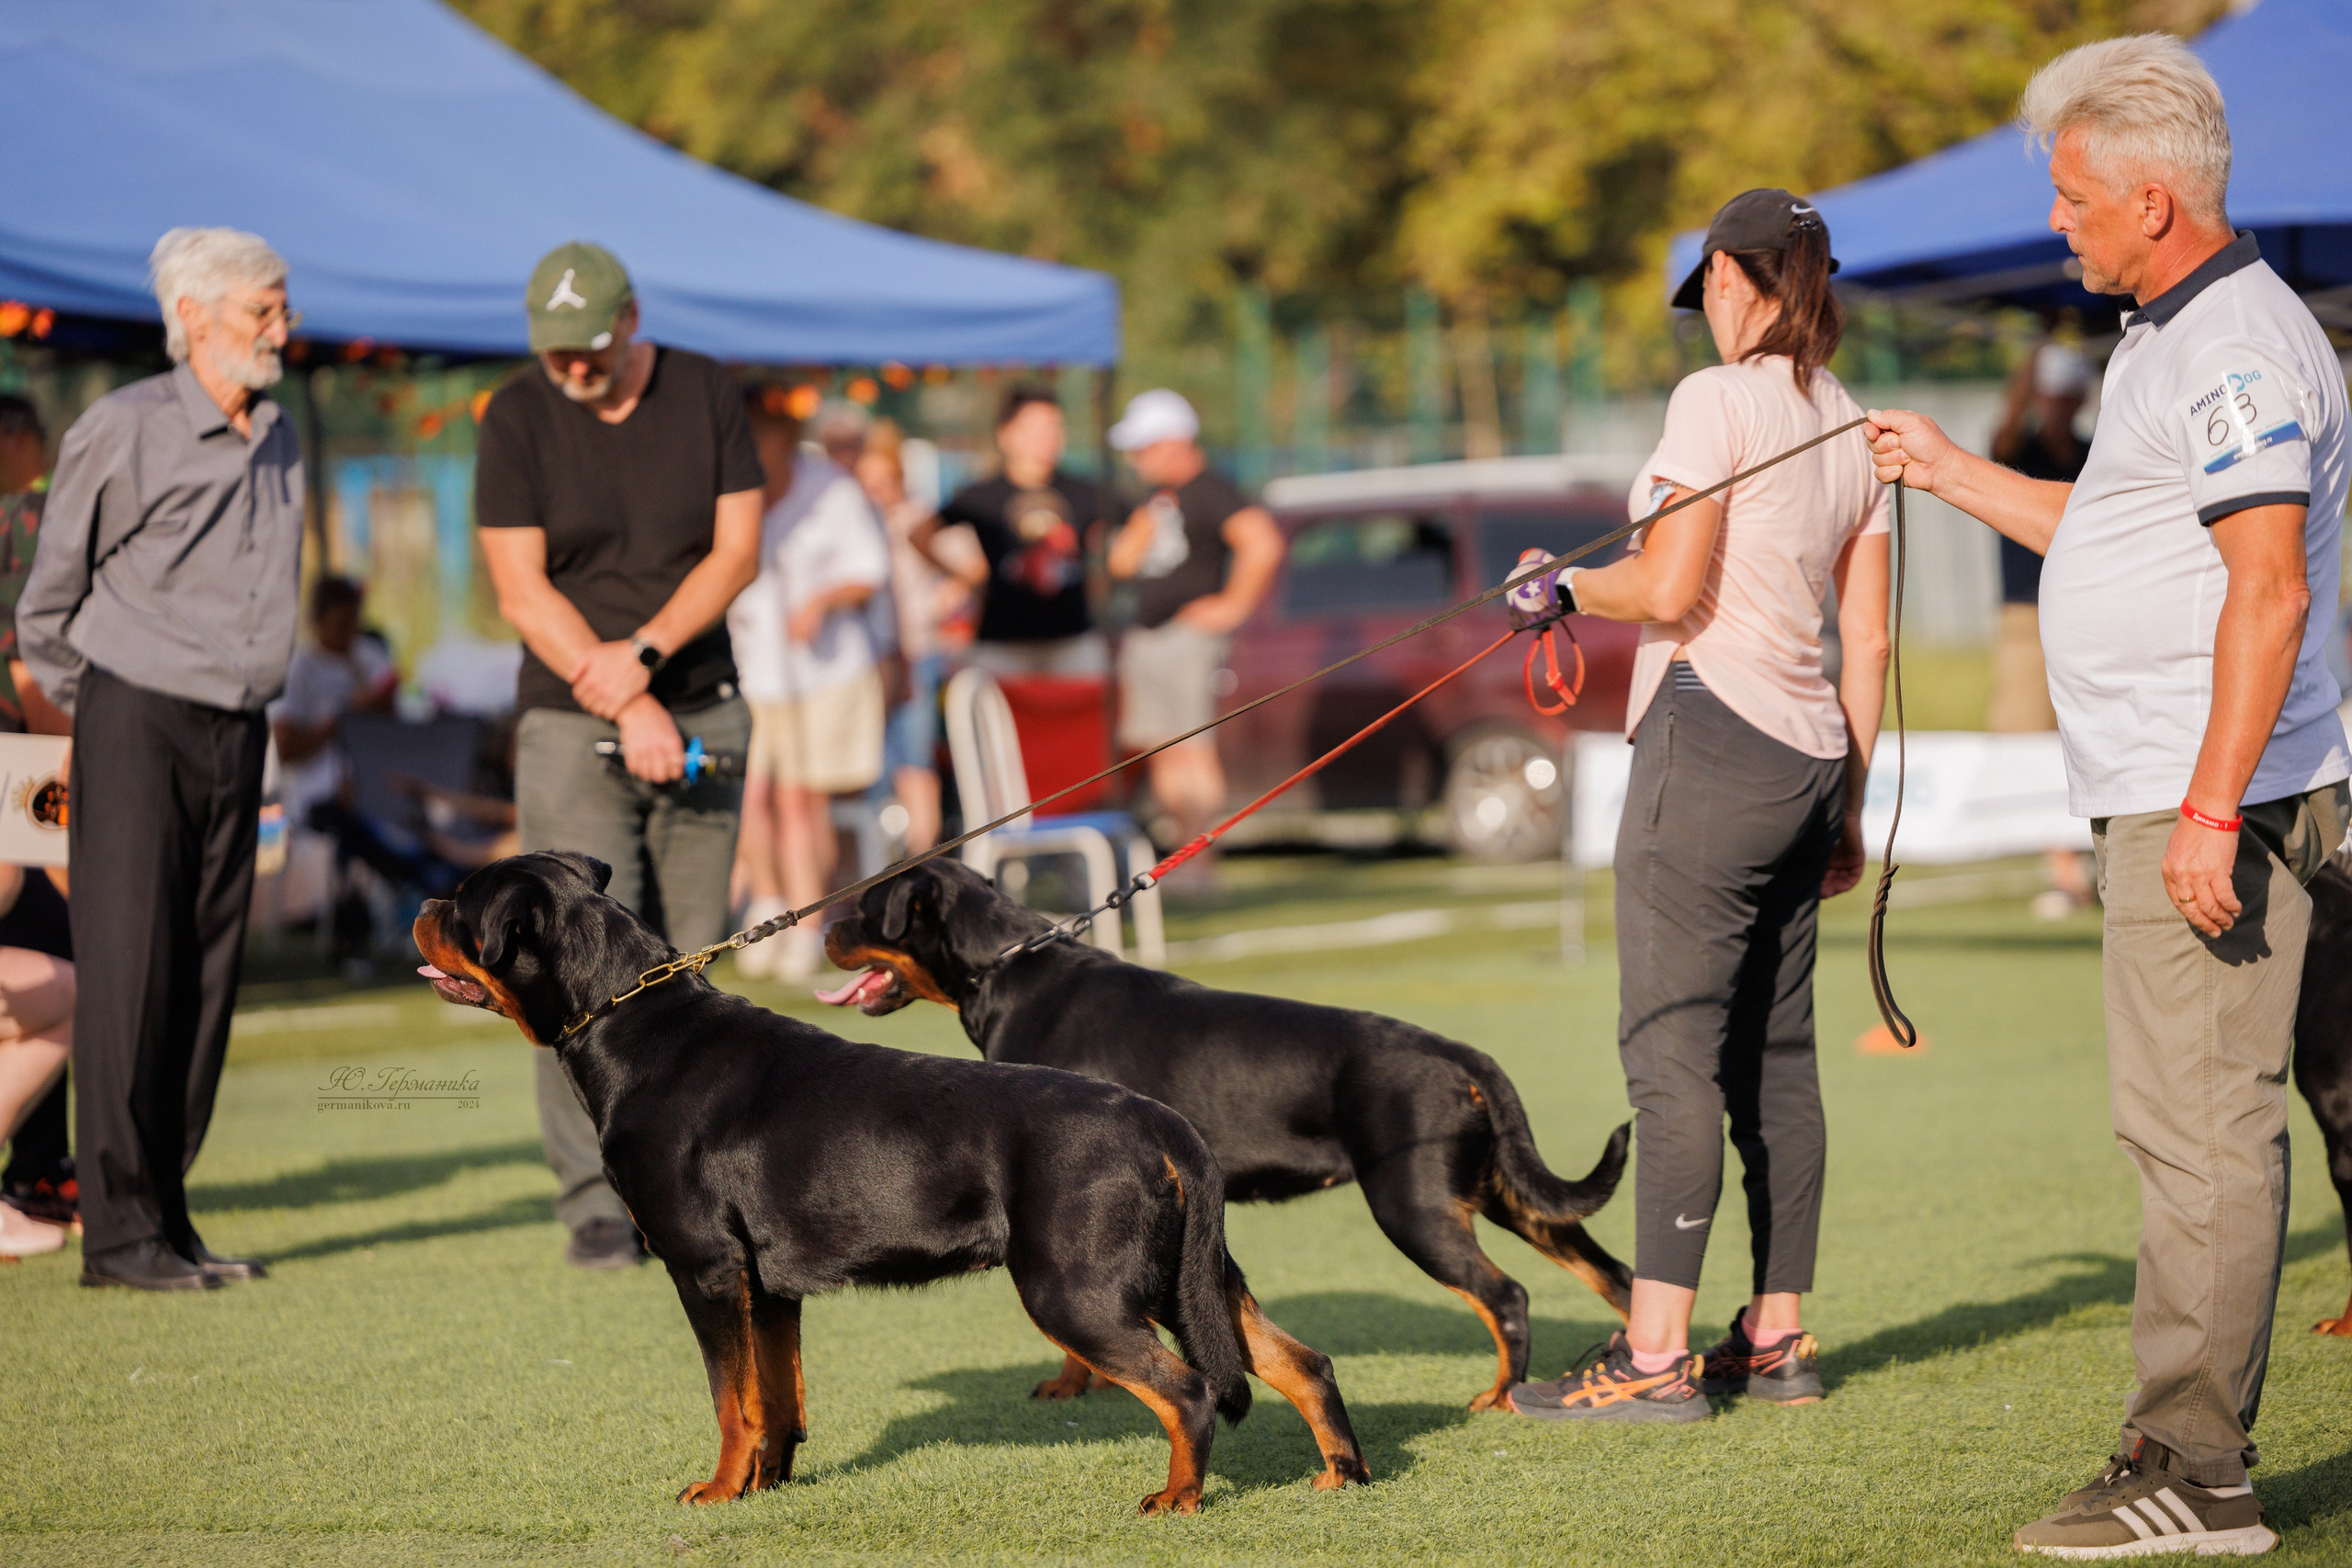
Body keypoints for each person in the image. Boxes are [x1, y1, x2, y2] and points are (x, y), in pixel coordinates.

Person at [1867, 36, 2347, 1558]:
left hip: (2212, 794)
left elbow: (2263, 590)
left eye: (2073, 196)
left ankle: (2193, 1472)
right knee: (2266, 1111)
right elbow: (2122, 529)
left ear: (2153, 197)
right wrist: (1950, 471)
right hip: (2211, 781)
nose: (2057, 221)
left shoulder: (2231, 346)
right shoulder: (2171, 327)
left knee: (2200, 1135)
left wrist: (2209, 808)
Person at [1501, 189, 1890, 1425]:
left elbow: (1671, 583)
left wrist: (1557, 582)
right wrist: (1852, 805)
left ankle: (1656, 1354)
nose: (1707, 314)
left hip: (1709, 735)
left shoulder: (1713, 400)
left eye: (1710, 288)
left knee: (1669, 1052)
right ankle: (1775, 1336)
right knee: (1777, 1060)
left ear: (1735, 276)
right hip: (1812, 753)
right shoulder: (1849, 418)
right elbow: (1867, 635)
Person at [18, 227, 302, 1292]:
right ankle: (119, 1236)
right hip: (132, 717)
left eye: (282, 307)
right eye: (262, 311)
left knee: (205, 977)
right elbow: (47, 607)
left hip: (240, 727)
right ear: (192, 315)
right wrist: (90, 728)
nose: (283, 328)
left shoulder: (279, 432)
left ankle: (168, 1217)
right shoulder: (121, 426)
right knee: (129, 974)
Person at [474, 242, 762, 1270]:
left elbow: (737, 551)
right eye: (555, 354)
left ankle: (705, 1182)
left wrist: (642, 664)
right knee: (570, 966)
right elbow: (519, 588)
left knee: (688, 957)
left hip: (699, 707)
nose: (572, 370)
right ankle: (598, 1200)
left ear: (630, 319)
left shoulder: (704, 390)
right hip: (569, 715)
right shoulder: (515, 413)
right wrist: (619, 690)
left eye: (589, 349)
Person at [727, 390, 891, 981]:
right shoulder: (729, 489)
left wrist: (822, 600)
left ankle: (804, 921)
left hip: (820, 672)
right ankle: (765, 903)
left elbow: (869, 572)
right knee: (747, 797)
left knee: (801, 799)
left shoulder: (833, 489)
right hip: (749, 667)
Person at [1103, 389, 1284, 867]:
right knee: (1163, 749)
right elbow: (1119, 562)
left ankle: (1201, 860)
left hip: (1187, 638)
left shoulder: (1212, 490)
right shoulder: (1156, 498)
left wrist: (1232, 605)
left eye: (1143, 447)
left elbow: (1262, 543)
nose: (1134, 458)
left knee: (1193, 748)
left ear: (1173, 442)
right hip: (1148, 634)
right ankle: (1180, 857)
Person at [0, 393, 74, 1258]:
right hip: (19, 767)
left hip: (21, 764)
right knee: (55, 935)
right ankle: (37, 1167)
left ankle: (37, 1164)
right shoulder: (27, 513)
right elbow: (27, 668)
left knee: (52, 944)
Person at [1989, 339, 2099, 917]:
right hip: (2025, 615)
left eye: (2064, 395)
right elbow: (2004, 431)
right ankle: (2065, 871)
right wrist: (2032, 350)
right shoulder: (2017, 447)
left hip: (2086, 607)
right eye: (2047, 396)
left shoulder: (2094, 451)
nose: (2055, 406)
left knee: (2088, 733)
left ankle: (2087, 867)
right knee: (2027, 737)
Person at [914, 386, 1113, 678]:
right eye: (1034, 428)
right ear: (1006, 434)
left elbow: (1130, 523)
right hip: (1002, 646)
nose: (1046, 437)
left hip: (1072, 641)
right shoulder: (981, 495)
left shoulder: (1083, 490)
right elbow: (920, 533)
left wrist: (1107, 568)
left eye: (1053, 427)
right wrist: (965, 575)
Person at [857, 418, 970, 853]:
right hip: (879, 654)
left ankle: (923, 853)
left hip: (913, 651)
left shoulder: (913, 519)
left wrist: (932, 609)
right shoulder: (869, 520)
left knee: (912, 759)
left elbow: (965, 571)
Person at [268, 575, 398, 838]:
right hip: (315, 807)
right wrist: (342, 718)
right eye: (342, 624)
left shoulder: (369, 655)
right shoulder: (300, 669)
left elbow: (396, 722)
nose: (350, 632)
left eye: (354, 622)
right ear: (320, 621)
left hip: (375, 796)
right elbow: (284, 746)